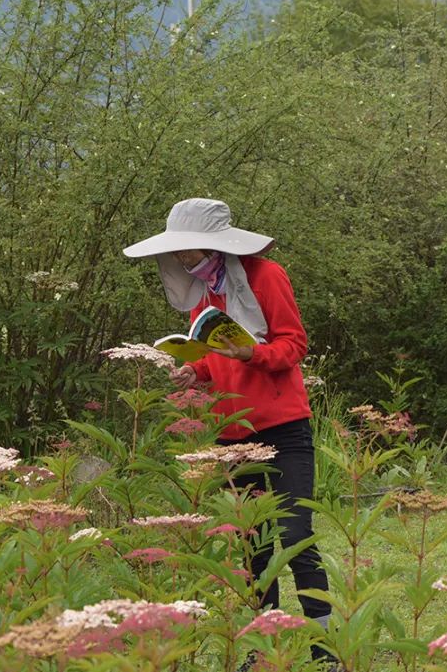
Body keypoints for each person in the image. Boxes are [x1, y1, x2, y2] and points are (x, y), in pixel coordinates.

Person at [123, 198, 336, 667]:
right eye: (178, 252)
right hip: (231, 431)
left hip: (283, 427)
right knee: (252, 543)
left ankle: (327, 650)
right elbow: (215, 350)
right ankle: (262, 651)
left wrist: (251, 356)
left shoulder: (265, 276)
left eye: (188, 250)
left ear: (212, 245)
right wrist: (195, 370)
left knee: (295, 535)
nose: (181, 259)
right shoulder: (206, 289)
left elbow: (293, 344)